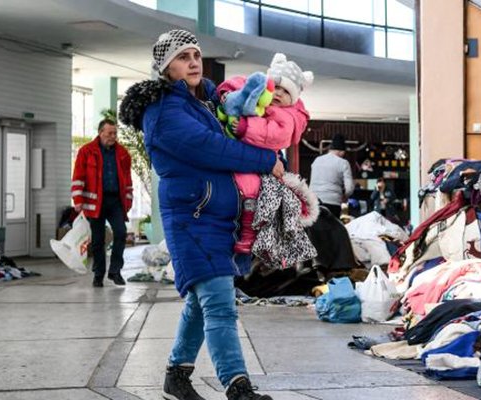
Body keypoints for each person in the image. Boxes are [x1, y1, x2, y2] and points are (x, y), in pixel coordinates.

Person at [120, 29, 283, 400]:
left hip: (215, 218)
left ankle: (177, 375)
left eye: (195, 54)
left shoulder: (202, 102)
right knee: (220, 304)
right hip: (192, 219)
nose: (193, 61)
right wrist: (264, 160)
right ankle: (237, 386)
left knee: (201, 300)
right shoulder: (163, 112)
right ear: (165, 68)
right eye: (183, 57)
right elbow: (210, 148)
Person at [216, 53, 312, 254]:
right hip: (242, 154)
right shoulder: (261, 93)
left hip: (262, 161)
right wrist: (228, 92)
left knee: (250, 190)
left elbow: (273, 135)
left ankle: (249, 235)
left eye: (285, 91)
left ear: (293, 97)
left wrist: (245, 127)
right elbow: (243, 83)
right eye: (275, 86)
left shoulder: (290, 116)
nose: (277, 93)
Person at [71, 119, 133, 287]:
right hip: (95, 203)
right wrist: (78, 200)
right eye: (110, 133)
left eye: (115, 133)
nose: (113, 136)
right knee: (98, 241)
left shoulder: (122, 153)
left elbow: (127, 180)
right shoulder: (86, 151)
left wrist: (128, 200)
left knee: (120, 233)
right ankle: (98, 274)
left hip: (115, 202)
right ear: (101, 133)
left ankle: (115, 271)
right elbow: (78, 177)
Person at [309, 133, 354, 218]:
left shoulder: (317, 160)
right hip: (333, 202)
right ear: (342, 151)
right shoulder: (343, 163)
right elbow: (349, 187)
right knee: (331, 230)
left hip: (314, 201)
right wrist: (345, 196)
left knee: (315, 230)